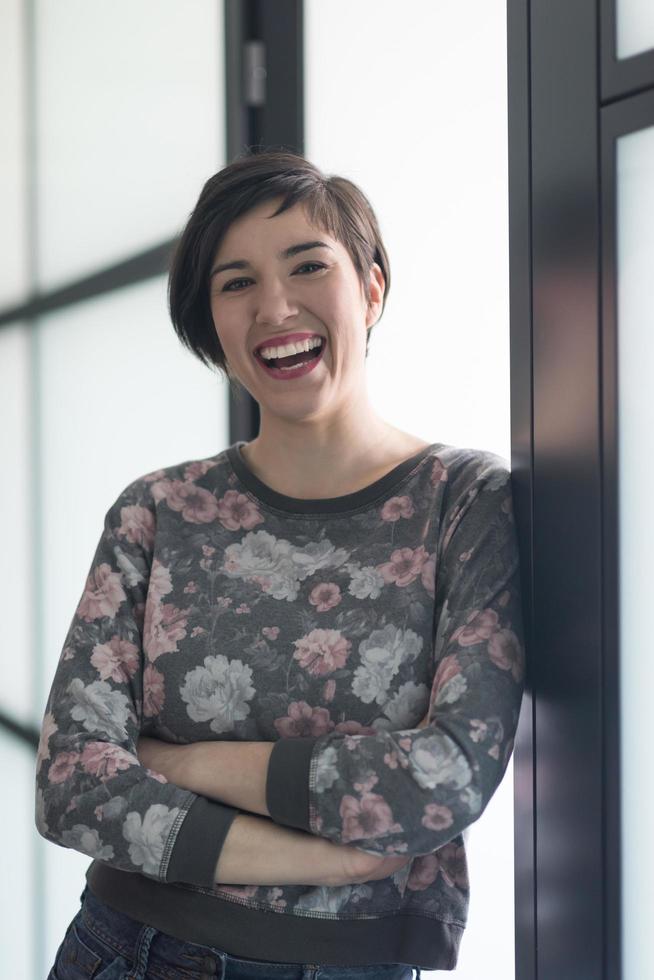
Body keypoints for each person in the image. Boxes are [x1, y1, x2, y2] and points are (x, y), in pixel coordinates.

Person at [35, 150, 526, 980]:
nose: (276, 307)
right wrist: (332, 860)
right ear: (210, 323)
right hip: (127, 950)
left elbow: (444, 781)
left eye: (308, 266)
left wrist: (178, 763)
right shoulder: (156, 510)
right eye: (235, 284)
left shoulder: (465, 502)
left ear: (372, 288)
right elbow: (72, 784)